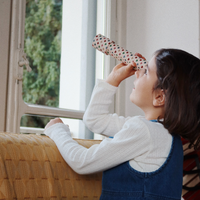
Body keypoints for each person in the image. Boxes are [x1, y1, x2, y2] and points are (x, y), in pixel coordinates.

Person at [44, 49, 200, 200]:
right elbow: (94, 120)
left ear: (160, 96)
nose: (137, 72)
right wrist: (114, 78)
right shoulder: (164, 134)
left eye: (145, 72)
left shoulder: (144, 131)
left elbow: (82, 162)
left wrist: (58, 131)